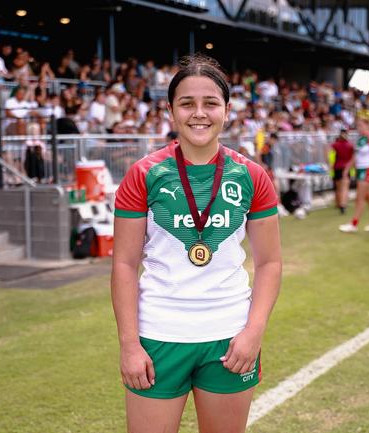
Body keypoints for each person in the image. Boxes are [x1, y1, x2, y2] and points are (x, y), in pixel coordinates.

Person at [111, 54, 281, 433]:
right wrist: (129, 345)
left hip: (230, 336)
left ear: (226, 110)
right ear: (171, 110)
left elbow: (269, 262)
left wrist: (253, 331)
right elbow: (124, 264)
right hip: (158, 335)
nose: (198, 113)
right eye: (187, 103)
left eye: (210, 103)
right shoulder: (143, 174)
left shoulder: (253, 175)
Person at [339, 118, 369, 233]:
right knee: (368, 197)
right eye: (358, 126)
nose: (359, 128)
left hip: (368, 169)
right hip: (361, 169)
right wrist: (347, 168)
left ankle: (354, 224)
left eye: (361, 125)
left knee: (360, 197)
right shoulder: (361, 140)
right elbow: (355, 156)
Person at [331, 128, 353, 214]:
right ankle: (343, 205)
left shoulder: (335, 145)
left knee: (338, 187)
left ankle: (338, 203)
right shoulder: (350, 145)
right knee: (345, 188)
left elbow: (329, 154)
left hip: (337, 167)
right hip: (345, 168)